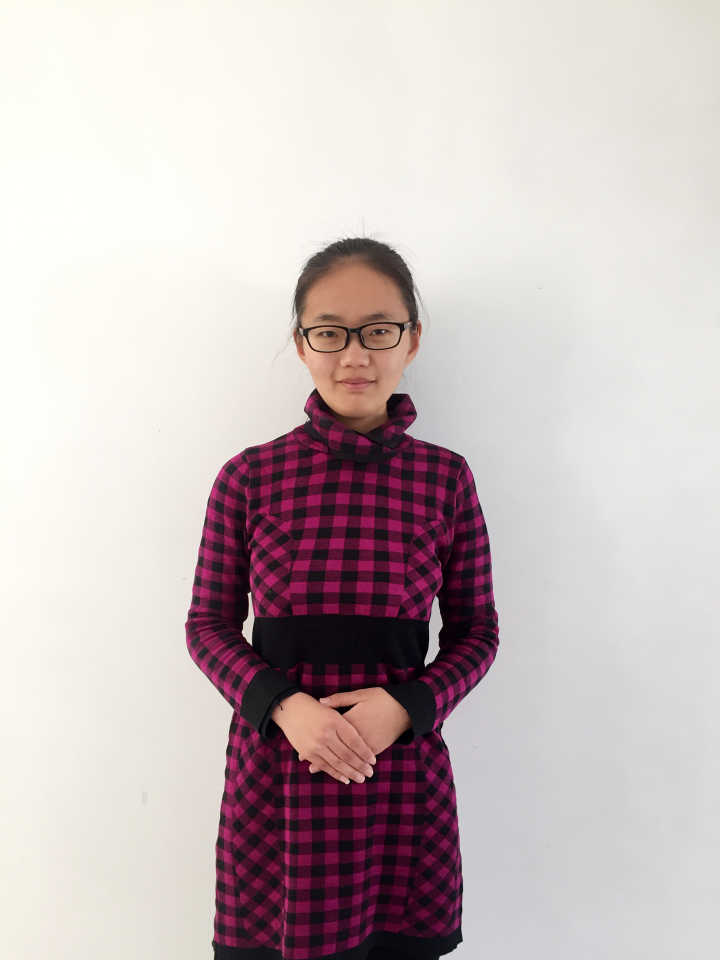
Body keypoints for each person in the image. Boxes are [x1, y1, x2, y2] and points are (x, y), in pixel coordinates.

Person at [185, 237, 500, 960]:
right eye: (330, 333)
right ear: (302, 344)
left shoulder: (445, 480)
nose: (354, 355)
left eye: (378, 330)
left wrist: (408, 707)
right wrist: (285, 707)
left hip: (400, 776)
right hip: (278, 772)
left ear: (411, 340)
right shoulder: (250, 477)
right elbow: (207, 624)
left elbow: (477, 631)